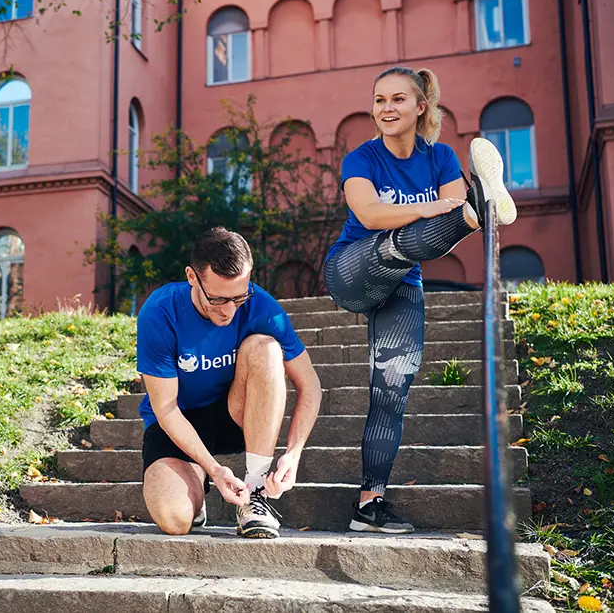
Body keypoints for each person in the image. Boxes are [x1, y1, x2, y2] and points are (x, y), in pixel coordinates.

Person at [323, 66, 516, 534]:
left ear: (420, 106)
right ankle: (482, 205)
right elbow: (369, 215)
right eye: (379, 100)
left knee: (392, 389)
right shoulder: (361, 158)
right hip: (355, 266)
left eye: (398, 100)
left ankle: (370, 503)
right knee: (402, 237)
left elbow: (446, 223)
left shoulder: (442, 158)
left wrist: (457, 211)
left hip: (405, 281)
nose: (386, 109)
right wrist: (433, 206)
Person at [137, 226, 322, 538]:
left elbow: (311, 386)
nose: (229, 311)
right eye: (218, 299)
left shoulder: (262, 306)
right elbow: (166, 410)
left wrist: (293, 453)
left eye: (239, 297)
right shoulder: (159, 311)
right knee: (174, 519)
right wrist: (214, 469)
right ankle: (195, 482)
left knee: (265, 347)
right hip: (178, 420)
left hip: (236, 413)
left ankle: (257, 492)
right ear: (192, 277)